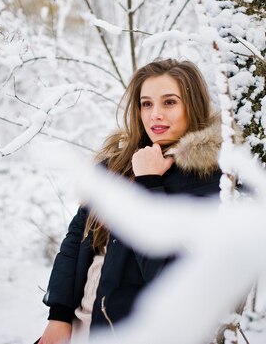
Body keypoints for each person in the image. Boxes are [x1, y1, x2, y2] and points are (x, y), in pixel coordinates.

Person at [37, 59, 227, 344]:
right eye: (146, 104)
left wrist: (149, 184)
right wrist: (59, 314)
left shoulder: (213, 179)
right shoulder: (117, 163)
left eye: (170, 102)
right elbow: (78, 235)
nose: (155, 115)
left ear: (193, 105)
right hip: (80, 326)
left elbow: (172, 280)